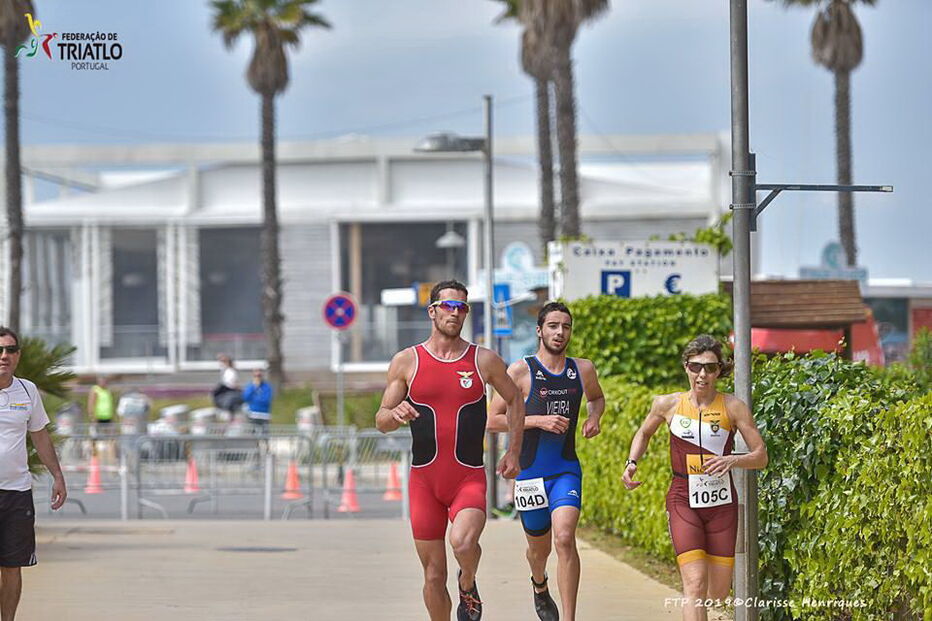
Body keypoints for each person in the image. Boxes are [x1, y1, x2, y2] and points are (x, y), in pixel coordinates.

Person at [375, 280, 525, 621]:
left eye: (462, 308)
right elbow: (380, 419)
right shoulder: (406, 362)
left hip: (467, 478)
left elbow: (515, 400)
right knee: (432, 575)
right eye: (448, 307)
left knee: (462, 543)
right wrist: (394, 414)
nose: (455, 313)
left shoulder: (483, 360)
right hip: (424, 483)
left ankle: (468, 581)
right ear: (432, 312)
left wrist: (514, 452)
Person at [622, 335, 768, 621]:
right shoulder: (667, 404)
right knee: (695, 586)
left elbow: (761, 455)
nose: (703, 374)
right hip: (682, 497)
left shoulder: (733, 407)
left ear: (719, 371)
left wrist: (732, 460)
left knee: (718, 593)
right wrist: (631, 462)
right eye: (696, 367)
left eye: (710, 368)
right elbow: (644, 432)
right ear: (686, 367)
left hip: (721, 503)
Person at [487, 301, 605, 621]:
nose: (560, 332)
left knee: (565, 537)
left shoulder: (583, 369)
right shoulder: (520, 371)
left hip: (565, 469)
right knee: (539, 551)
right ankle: (539, 584)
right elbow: (493, 419)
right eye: (553, 325)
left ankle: (569, 617)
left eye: (565, 326)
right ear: (540, 330)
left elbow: (596, 397)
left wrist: (594, 418)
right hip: (531, 474)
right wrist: (537, 421)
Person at [0, 327, 67, 620]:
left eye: (10, 350)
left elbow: (40, 436)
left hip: (16, 492)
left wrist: (58, 476)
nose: (4, 356)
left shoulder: (27, 390)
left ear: (18, 355)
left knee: (12, 566)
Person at [242, 368, 273, 435]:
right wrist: (255, 387)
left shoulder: (266, 387)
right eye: (255, 376)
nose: (257, 378)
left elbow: (266, 400)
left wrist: (254, 399)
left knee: (264, 434)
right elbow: (246, 398)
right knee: (252, 433)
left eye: (259, 376)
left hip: (264, 414)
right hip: (253, 413)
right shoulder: (250, 386)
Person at [212, 354, 242, 421]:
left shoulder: (230, 371)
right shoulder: (224, 371)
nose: (221, 363)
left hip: (229, 391)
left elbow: (233, 384)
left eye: (223, 361)